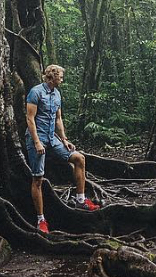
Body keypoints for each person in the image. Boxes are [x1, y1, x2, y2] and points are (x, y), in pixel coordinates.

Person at [25, 63, 99, 233]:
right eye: (60, 76)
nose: (62, 79)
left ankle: (81, 200)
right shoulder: (36, 92)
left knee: (79, 158)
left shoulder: (57, 93)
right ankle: (41, 220)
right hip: (38, 138)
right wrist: (36, 142)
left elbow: (58, 119)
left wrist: (64, 139)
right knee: (38, 178)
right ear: (51, 76)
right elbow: (30, 119)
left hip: (53, 139)